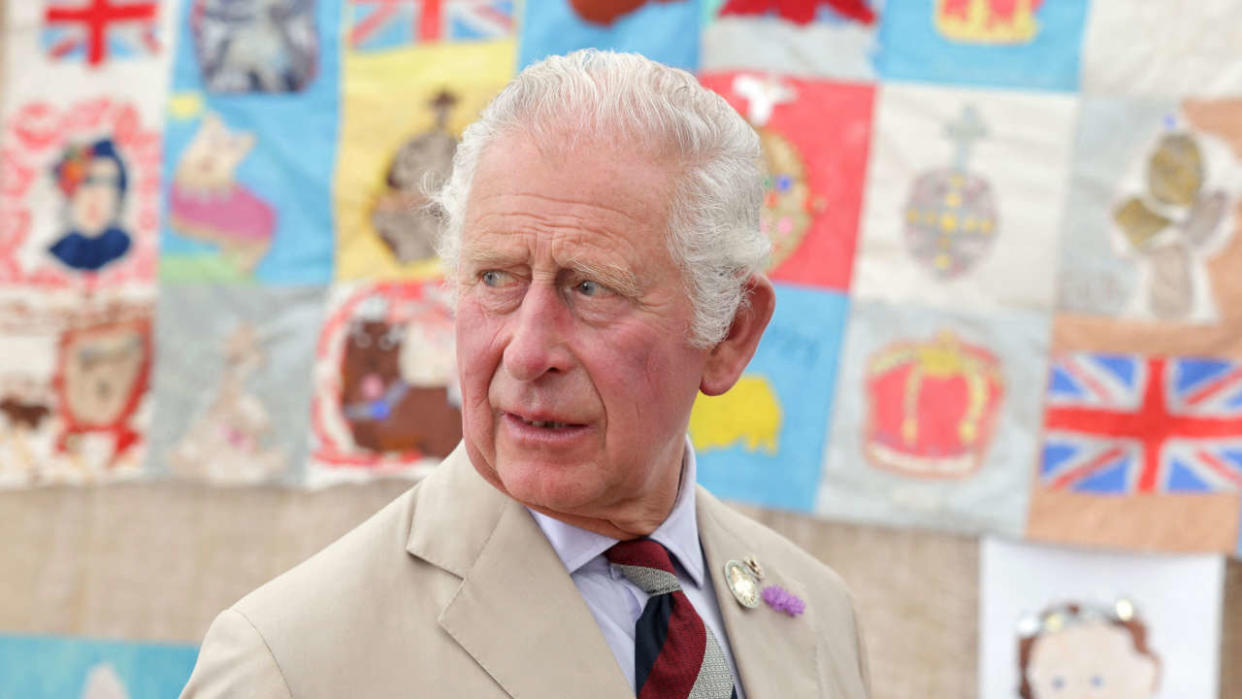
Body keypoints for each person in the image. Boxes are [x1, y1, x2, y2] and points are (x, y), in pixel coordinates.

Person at [182, 50, 870, 698]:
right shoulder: (289, 663)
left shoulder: (816, 610)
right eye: (494, 277)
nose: (525, 350)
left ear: (729, 333)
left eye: (591, 287)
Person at [48, 138, 132, 272]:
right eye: (87, 181)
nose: (95, 195)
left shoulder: (124, 247)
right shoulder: (59, 250)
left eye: (106, 183)